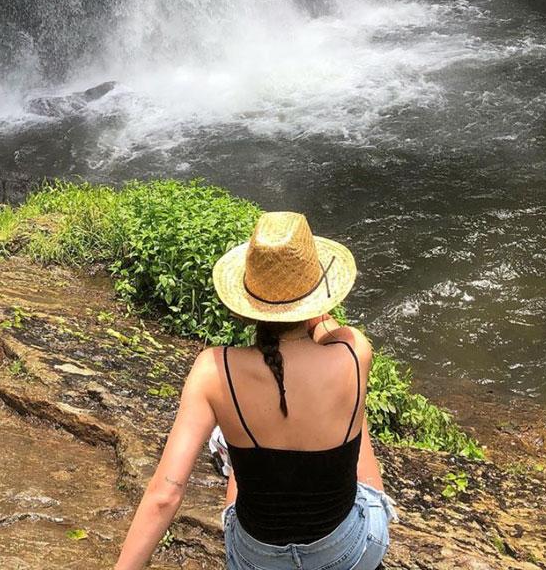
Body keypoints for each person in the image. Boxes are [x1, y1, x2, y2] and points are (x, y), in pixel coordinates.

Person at [113, 212, 397, 570]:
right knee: (352, 408)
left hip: (258, 561)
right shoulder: (355, 351)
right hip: (346, 553)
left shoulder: (213, 371)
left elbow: (164, 495)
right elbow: (329, 328)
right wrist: (312, 306)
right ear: (317, 301)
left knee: (238, 439)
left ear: (246, 305)